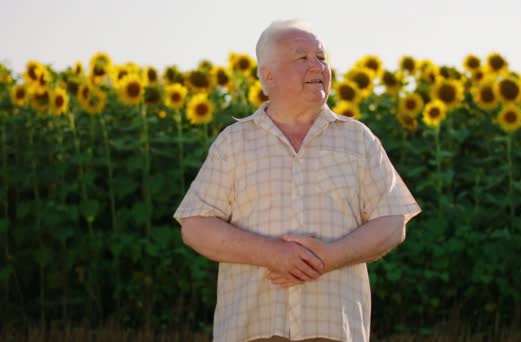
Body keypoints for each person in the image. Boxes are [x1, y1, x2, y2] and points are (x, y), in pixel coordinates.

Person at [174, 19, 421, 342]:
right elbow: (195, 226)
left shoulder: (358, 140)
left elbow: (391, 223)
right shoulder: (233, 142)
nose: (317, 65)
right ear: (268, 76)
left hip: (333, 328)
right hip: (252, 328)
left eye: (321, 57)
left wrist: (326, 258)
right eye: (302, 57)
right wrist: (272, 254)